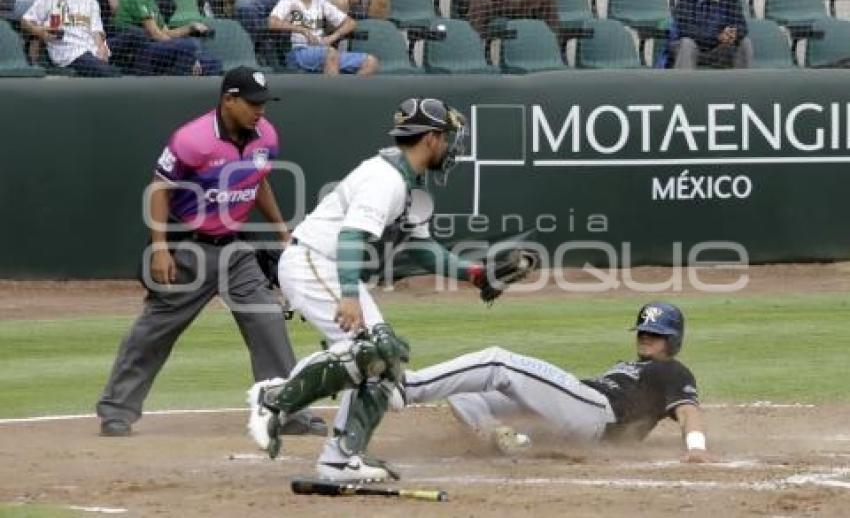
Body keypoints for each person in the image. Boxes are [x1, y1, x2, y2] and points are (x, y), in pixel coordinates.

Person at [246, 98, 534, 481]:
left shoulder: (410, 185)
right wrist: (349, 295)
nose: (452, 148)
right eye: (448, 138)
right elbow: (350, 236)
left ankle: (340, 458)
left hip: (336, 270)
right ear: (431, 138)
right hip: (314, 262)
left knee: (388, 363)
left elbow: (423, 251)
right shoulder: (384, 179)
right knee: (368, 352)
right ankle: (274, 400)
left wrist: (475, 275)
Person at [96, 67, 326, 439]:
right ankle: (117, 409)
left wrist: (282, 230)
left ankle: (287, 411)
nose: (260, 111)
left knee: (267, 321)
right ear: (229, 99)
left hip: (236, 249)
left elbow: (258, 180)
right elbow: (160, 189)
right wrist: (160, 249)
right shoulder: (193, 139)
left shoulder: (265, 136)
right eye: (252, 103)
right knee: (155, 330)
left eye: (263, 103)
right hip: (187, 248)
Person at [403, 302, 712, 463]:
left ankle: (406, 388)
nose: (646, 336)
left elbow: (688, 411)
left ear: (673, 340)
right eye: (643, 330)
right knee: (467, 392)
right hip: (579, 410)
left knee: (498, 361)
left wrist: (696, 448)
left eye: (655, 333)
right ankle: (503, 437)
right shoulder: (631, 366)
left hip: (595, 413)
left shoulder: (674, 370)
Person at [110, 0, 221, 75]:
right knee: (188, 46)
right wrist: (191, 55)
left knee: (213, 63)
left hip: (156, 49)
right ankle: (176, 87)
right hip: (137, 55)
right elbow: (156, 34)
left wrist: (190, 27)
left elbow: (166, 32)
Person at [268, 0, 377, 75]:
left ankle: (348, 93)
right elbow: (272, 22)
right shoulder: (289, 0)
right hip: (298, 52)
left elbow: (350, 23)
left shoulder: (320, 2)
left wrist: (332, 37)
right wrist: (302, 30)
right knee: (330, 54)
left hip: (321, 50)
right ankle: (332, 93)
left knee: (370, 62)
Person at [20, 0, 121, 76]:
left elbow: (96, 31)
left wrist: (102, 48)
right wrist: (40, 32)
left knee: (134, 36)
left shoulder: (92, 2)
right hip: (69, 54)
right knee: (112, 75)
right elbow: (25, 21)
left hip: (91, 49)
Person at [671, 0, 752, 69]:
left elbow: (741, 25)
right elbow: (686, 30)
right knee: (686, 43)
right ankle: (684, 85)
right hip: (696, 48)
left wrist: (733, 34)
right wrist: (716, 37)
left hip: (720, 48)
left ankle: (743, 85)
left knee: (745, 43)